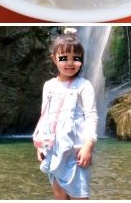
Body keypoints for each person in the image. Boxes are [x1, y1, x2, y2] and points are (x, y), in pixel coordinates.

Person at [33, 28, 96, 200]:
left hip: (76, 150)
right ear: (54, 59)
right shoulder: (49, 86)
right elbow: (44, 117)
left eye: (75, 59)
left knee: (79, 195)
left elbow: (91, 116)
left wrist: (88, 145)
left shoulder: (84, 85)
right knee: (59, 194)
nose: (70, 63)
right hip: (53, 149)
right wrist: (41, 144)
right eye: (63, 58)